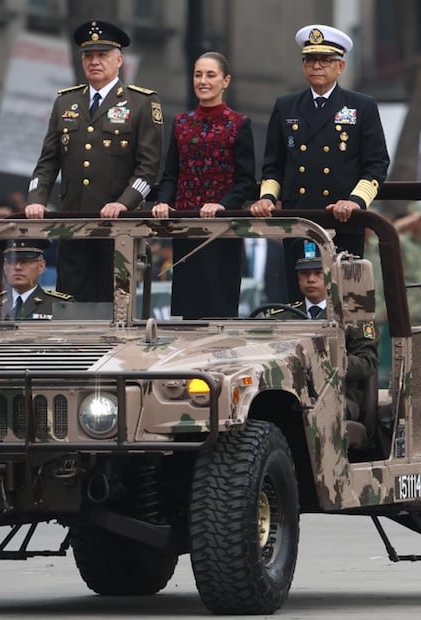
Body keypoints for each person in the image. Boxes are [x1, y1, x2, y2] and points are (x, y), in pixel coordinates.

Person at [24, 19, 163, 303]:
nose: (95, 62)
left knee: (114, 306)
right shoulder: (66, 102)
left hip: (117, 228)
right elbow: (48, 161)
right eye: (88, 56)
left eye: (102, 55)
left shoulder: (141, 103)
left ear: (119, 60)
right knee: (70, 306)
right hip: (73, 223)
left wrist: (124, 203)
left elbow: (148, 169)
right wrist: (36, 198)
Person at [250, 24, 390, 300]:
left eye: (325, 60)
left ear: (340, 67)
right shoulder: (286, 106)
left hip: (343, 220)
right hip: (298, 219)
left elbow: (376, 165)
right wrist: (266, 197)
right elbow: (273, 165)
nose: (317, 66)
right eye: (310, 60)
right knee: (297, 300)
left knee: (347, 303)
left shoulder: (361, 106)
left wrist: (355, 202)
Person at [151, 51, 256, 318]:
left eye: (211, 75)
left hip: (222, 230)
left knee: (218, 307)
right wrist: (163, 201)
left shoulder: (239, 123)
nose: (203, 81)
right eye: (198, 75)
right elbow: (171, 173)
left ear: (226, 81)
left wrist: (222, 205)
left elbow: (245, 181)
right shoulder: (181, 123)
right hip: (186, 227)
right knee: (187, 309)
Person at [269, 241, 378, 422]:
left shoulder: (353, 316)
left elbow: (368, 363)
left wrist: (327, 361)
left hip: (337, 396)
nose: (311, 279)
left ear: (331, 276)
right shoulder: (281, 316)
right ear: (297, 278)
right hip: (289, 394)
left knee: (312, 417)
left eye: (318, 273)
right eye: (304, 274)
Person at [0, 240, 72, 320]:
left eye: (25, 262)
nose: (17, 267)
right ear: (5, 267)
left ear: (41, 266)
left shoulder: (59, 306)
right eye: (12, 262)